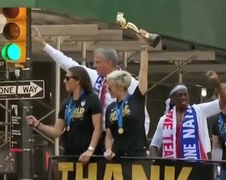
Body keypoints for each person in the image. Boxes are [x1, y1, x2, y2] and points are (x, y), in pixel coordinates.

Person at [32, 27, 150, 150]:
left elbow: (142, 114)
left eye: (97, 62)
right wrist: (44, 44)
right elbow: (68, 64)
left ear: (109, 63)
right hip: (98, 136)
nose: (94, 66)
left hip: (122, 136)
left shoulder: (129, 82)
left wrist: (140, 142)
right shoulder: (95, 76)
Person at [27, 66, 102, 163]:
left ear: (78, 80)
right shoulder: (66, 103)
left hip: (88, 155)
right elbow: (57, 131)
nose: (64, 81)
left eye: (67, 78)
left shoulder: (92, 99)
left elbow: (98, 127)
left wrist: (90, 150)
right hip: (69, 153)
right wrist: (37, 124)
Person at [149, 71, 226, 159]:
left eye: (185, 95)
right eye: (180, 95)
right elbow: (154, 146)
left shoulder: (199, 110)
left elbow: (224, 102)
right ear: (173, 99)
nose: (183, 97)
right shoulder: (164, 120)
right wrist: (156, 163)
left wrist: (217, 83)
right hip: (172, 168)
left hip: (198, 165)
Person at [102, 31, 148, 159]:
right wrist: (108, 150)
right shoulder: (110, 108)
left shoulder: (136, 99)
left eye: (109, 85)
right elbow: (109, 134)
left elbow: (143, 72)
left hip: (137, 155)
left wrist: (144, 47)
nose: (107, 88)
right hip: (118, 156)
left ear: (121, 86)